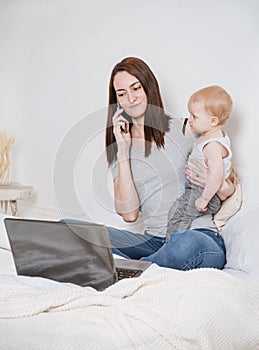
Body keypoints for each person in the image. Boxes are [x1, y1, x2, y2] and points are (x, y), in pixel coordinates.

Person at [105, 56, 234, 270]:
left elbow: (228, 188)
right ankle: (142, 267)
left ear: (148, 87)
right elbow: (129, 214)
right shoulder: (120, 147)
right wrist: (123, 150)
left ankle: (130, 270)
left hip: (198, 237)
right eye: (122, 93)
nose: (131, 98)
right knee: (72, 230)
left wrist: (214, 182)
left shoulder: (188, 128)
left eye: (136, 88)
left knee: (185, 244)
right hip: (154, 242)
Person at [166, 85, 234, 238]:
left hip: (204, 193)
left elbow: (216, 176)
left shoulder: (213, 145)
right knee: (177, 212)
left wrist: (204, 199)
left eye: (194, 117)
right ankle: (174, 244)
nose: (190, 120)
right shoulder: (209, 136)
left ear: (213, 121)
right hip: (197, 190)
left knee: (177, 215)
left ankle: (171, 246)